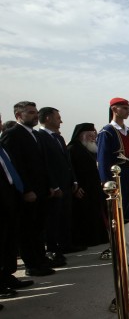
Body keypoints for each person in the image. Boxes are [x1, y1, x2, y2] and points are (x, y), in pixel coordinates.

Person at [0, 101, 55, 277]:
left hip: (41, 191)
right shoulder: (12, 135)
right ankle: (31, 265)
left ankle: (40, 261)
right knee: (27, 230)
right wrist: (26, 190)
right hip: (28, 193)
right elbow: (16, 166)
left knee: (38, 228)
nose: (35, 115)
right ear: (18, 116)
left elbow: (42, 163)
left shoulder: (35, 135)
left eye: (36, 112)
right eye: (31, 112)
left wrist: (49, 186)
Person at [97, 97, 129, 266]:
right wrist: (106, 182)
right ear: (114, 109)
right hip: (116, 175)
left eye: (128, 107)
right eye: (124, 108)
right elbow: (102, 159)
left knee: (126, 212)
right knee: (117, 214)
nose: (128, 111)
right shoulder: (107, 132)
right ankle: (121, 252)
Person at [37, 107, 79, 267]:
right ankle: (53, 250)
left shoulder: (59, 138)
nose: (61, 121)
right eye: (58, 118)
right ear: (48, 118)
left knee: (64, 217)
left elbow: (67, 162)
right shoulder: (39, 137)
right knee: (52, 220)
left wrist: (74, 181)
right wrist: (53, 185)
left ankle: (65, 245)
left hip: (67, 185)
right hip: (54, 188)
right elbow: (44, 164)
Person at [0, 116, 34, 299]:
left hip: (10, 199)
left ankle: (7, 276)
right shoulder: (10, 138)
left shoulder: (2, 146)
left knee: (8, 241)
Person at [67, 123, 109, 248]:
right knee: (83, 216)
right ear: (83, 135)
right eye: (92, 134)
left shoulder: (90, 148)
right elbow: (70, 170)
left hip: (93, 188)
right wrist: (75, 186)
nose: (94, 137)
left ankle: (97, 238)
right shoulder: (72, 148)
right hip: (81, 189)